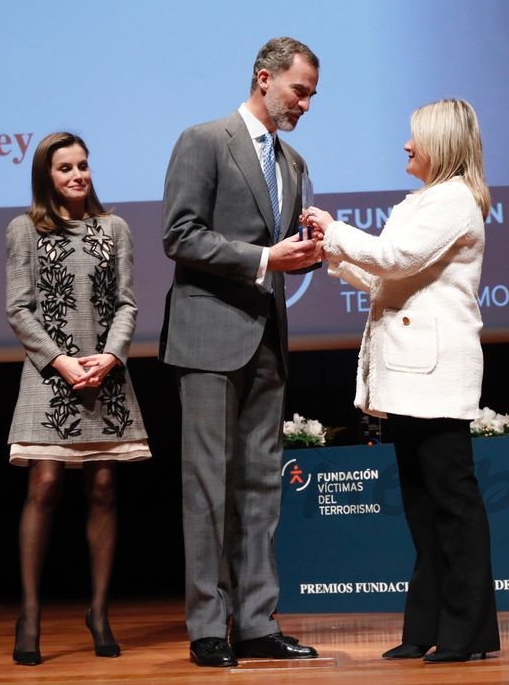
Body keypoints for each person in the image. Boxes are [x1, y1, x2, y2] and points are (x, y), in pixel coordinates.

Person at [304, 98, 501, 664]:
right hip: (409, 374)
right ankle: (426, 627)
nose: (407, 146)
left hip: (435, 372)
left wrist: (337, 230)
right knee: (422, 504)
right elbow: (389, 278)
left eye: (416, 137)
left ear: (442, 144)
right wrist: (333, 252)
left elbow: (397, 257)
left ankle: (467, 634)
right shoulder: (423, 199)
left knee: (452, 504)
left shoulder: (455, 200)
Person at [159, 36, 324, 668]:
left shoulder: (294, 163)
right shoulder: (204, 140)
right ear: (264, 78)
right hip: (208, 336)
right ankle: (207, 625)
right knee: (206, 488)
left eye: (311, 94)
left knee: (261, 488)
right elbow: (179, 234)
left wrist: (304, 248)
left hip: (266, 338)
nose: (306, 104)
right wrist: (263, 258)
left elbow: (280, 251)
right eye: (299, 91)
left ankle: (256, 623)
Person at [5, 131, 151, 666]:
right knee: (43, 484)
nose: (77, 175)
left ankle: (98, 610)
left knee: (104, 489)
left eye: (83, 165)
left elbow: (128, 304)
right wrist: (62, 362)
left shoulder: (114, 229)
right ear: (47, 176)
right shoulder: (25, 229)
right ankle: (30, 611)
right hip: (50, 375)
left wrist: (110, 357)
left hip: (103, 376)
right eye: (65, 167)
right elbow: (19, 309)